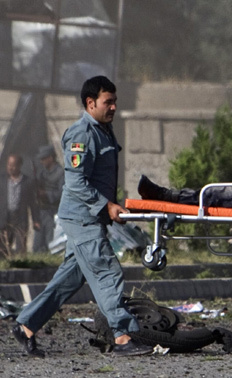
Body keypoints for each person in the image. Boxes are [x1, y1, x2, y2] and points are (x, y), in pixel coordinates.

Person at [12, 76, 153, 358]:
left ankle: (26, 325)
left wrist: (112, 206)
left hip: (90, 216)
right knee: (106, 270)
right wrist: (107, 206)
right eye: (108, 102)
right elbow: (76, 184)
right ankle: (124, 336)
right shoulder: (81, 134)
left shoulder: (104, 130)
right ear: (90, 103)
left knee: (69, 279)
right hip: (82, 218)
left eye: (115, 102)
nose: (113, 107)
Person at [0, 154, 40, 257]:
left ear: (19, 166)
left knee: (21, 244)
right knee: (4, 245)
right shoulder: (2, 180)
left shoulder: (27, 181)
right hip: (5, 216)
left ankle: (21, 264)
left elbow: (33, 202)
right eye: (9, 165)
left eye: (13, 165)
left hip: (20, 217)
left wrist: (36, 220)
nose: (10, 168)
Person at [32, 145, 64, 253]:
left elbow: (62, 193)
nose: (42, 161)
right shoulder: (42, 173)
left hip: (53, 212)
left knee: (51, 243)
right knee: (37, 245)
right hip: (41, 211)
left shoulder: (60, 173)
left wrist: (46, 194)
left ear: (50, 157)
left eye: (44, 158)